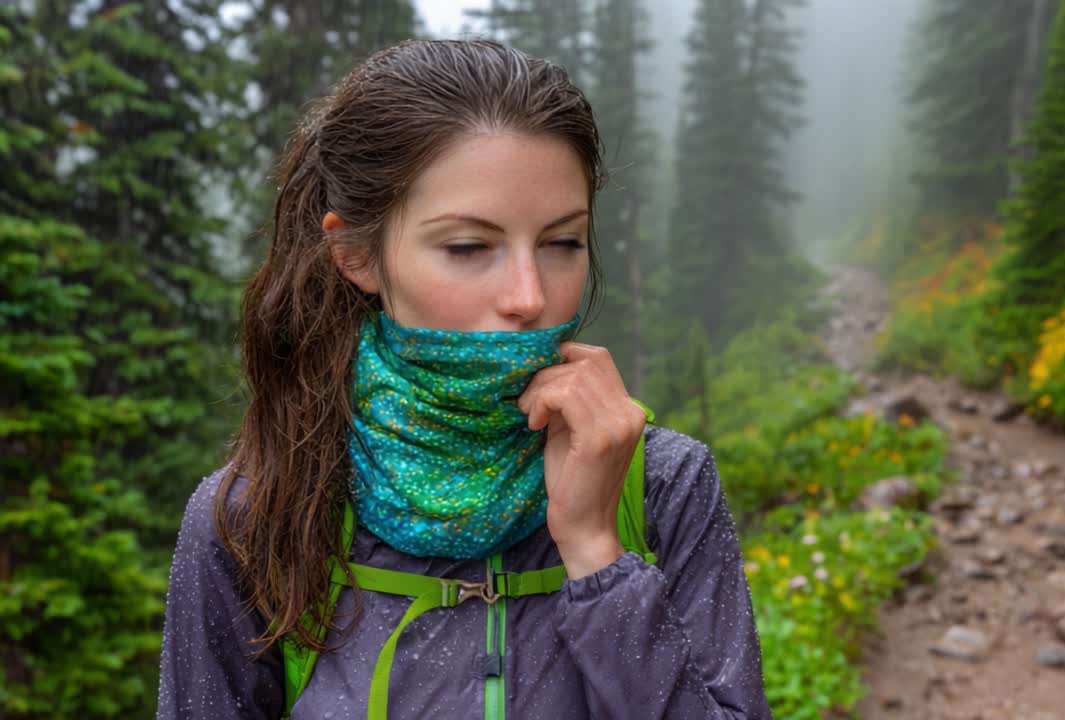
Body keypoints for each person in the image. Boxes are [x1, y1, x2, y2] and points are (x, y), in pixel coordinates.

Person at [156, 39, 769, 719]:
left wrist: (599, 557)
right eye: (469, 247)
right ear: (356, 254)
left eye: (562, 242)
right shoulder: (255, 514)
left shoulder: (662, 484)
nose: (529, 296)